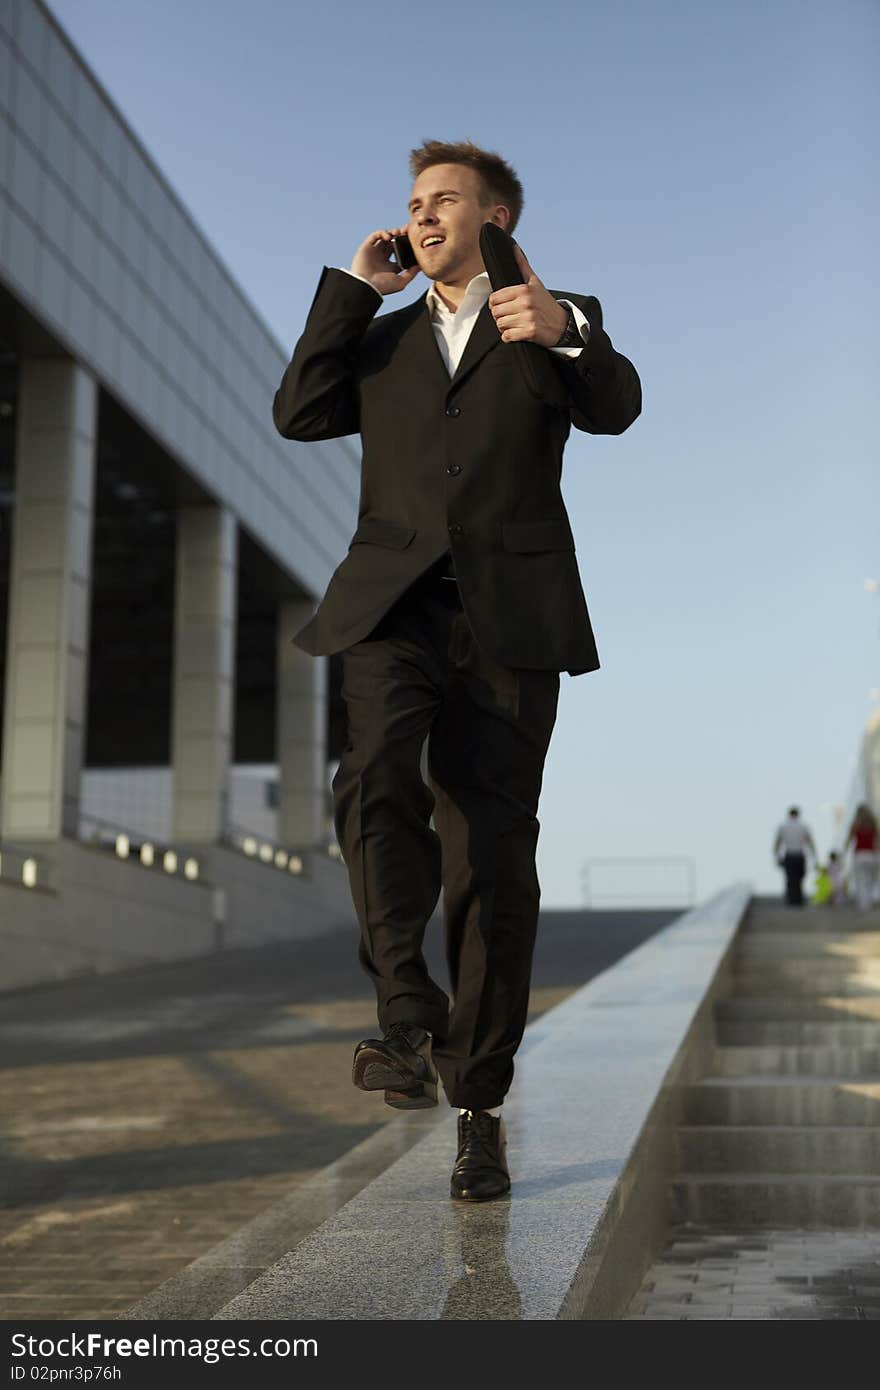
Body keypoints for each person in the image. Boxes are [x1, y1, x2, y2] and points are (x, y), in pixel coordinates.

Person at [272, 139, 641, 1201]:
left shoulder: (548, 315)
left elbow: (615, 405)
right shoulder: (378, 345)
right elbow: (298, 411)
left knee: (489, 857)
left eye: (443, 202)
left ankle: (478, 1103)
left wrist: (567, 335)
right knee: (373, 778)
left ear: (498, 218)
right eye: (413, 204)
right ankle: (403, 1013)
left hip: (511, 621)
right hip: (391, 604)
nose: (422, 217)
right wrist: (351, 291)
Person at [773, 806, 818, 907]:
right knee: (799, 878)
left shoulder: (783, 826)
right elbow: (810, 842)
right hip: (799, 855)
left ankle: (791, 899)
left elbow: (778, 842)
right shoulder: (804, 826)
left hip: (789, 855)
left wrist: (777, 856)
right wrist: (814, 856)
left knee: (790, 879)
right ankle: (798, 899)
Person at [845, 803, 879, 911]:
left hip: (859, 855)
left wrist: (843, 853)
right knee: (871, 880)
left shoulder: (855, 825)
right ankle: (869, 900)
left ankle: (863, 904)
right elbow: (877, 841)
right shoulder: (873, 824)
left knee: (860, 880)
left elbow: (849, 840)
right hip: (872, 855)